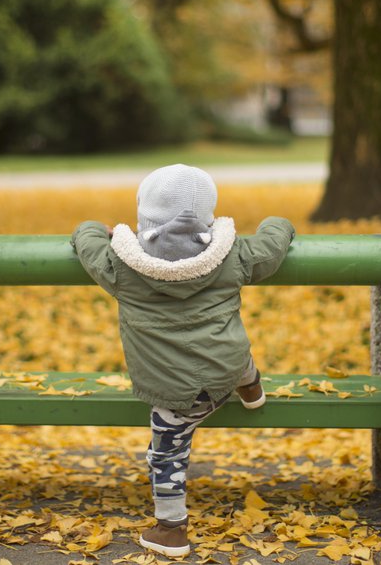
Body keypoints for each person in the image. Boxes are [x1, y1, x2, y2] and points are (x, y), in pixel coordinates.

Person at [70, 164, 295, 557]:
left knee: (167, 453)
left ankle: (171, 530)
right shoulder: (232, 254)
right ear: (208, 217)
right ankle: (251, 385)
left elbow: (87, 246)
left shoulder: (121, 266)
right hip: (227, 367)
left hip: (176, 393)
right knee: (231, 350)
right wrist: (280, 223)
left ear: (144, 217)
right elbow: (271, 250)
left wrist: (92, 227)